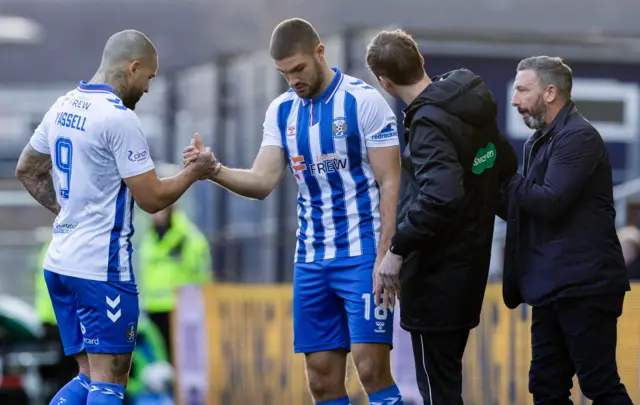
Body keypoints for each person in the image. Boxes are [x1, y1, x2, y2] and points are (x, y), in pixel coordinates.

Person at [184, 17, 404, 405]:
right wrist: (212, 171)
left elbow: (391, 181)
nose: (294, 81)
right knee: (320, 380)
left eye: (299, 69)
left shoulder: (362, 101)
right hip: (312, 259)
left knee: (371, 368)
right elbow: (262, 181)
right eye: (285, 74)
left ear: (320, 53)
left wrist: (386, 254)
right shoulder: (281, 112)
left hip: (363, 255)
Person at [15, 29, 215, 405]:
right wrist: (195, 172)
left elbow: (27, 169)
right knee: (109, 383)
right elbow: (153, 199)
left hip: (61, 264)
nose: (149, 88)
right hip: (101, 271)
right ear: (133, 67)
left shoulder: (63, 106)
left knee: (88, 377)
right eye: (149, 77)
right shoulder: (118, 119)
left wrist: (68, 211)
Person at [365, 29, 518, 404]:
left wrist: (397, 250)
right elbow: (499, 162)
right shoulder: (468, 101)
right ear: (421, 61)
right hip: (468, 268)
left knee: (438, 391)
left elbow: (442, 195)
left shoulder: (429, 122)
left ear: (385, 83)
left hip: (437, 278)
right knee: (446, 384)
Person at [503, 56, 632, 404]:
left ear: (549, 92)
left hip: (585, 285)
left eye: (521, 89)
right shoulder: (537, 141)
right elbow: (525, 205)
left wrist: (501, 176)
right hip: (551, 284)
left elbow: (550, 201)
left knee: (599, 384)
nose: (514, 99)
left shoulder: (579, 137)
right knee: (545, 385)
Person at [138, 163, 213, 363]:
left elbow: (203, 279)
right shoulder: (148, 239)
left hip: (180, 315)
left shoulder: (190, 239)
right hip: (153, 315)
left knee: (182, 366)